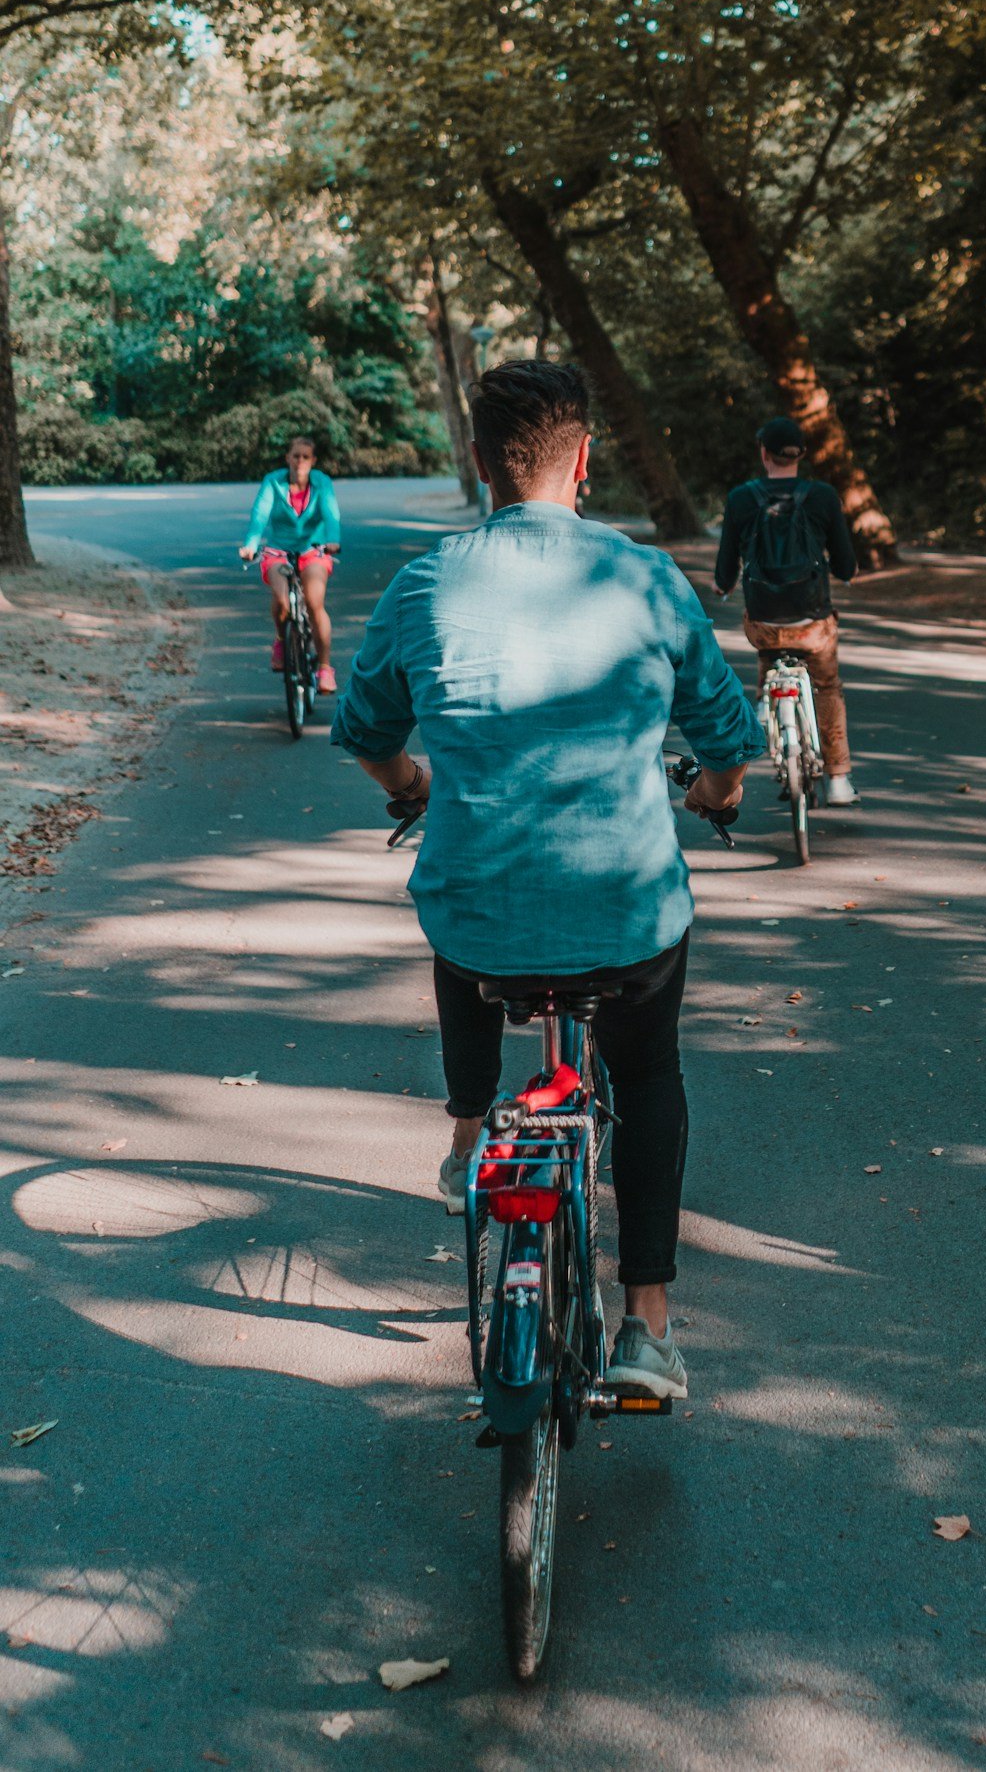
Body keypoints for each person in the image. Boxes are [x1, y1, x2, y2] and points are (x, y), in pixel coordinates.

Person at [331, 359, 764, 1402]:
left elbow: (367, 733)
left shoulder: (425, 582)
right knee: (648, 1073)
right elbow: (722, 736)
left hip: (481, 916)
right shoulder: (646, 577)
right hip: (625, 913)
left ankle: (470, 1132)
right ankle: (648, 1325)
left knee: (460, 915)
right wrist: (714, 791)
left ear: (479, 462)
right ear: (585, 461)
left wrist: (408, 785)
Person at [714, 414, 859, 805]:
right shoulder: (823, 496)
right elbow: (845, 564)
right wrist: (847, 573)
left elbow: (725, 569)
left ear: (764, 454)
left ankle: (767, 706)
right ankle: (839, 780)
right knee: (826, 686)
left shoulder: (742, 498)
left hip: (763, 620)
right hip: (812, 622)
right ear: (802, 454)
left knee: (770, 651)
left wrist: (723, 585)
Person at [238, 435, 342, 694]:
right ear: (288, 458)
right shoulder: (273, 482)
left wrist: (333, 540)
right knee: (283, 600)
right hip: (278, 550)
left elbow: (331, 514)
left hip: (313, 549)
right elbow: (259, 515)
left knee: (314, 602)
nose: (300, 461)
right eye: (295, 456)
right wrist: (251, 545)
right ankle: (281, 639)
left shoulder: (322, 483)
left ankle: (325, 667)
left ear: (313, 461)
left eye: (306, 457)